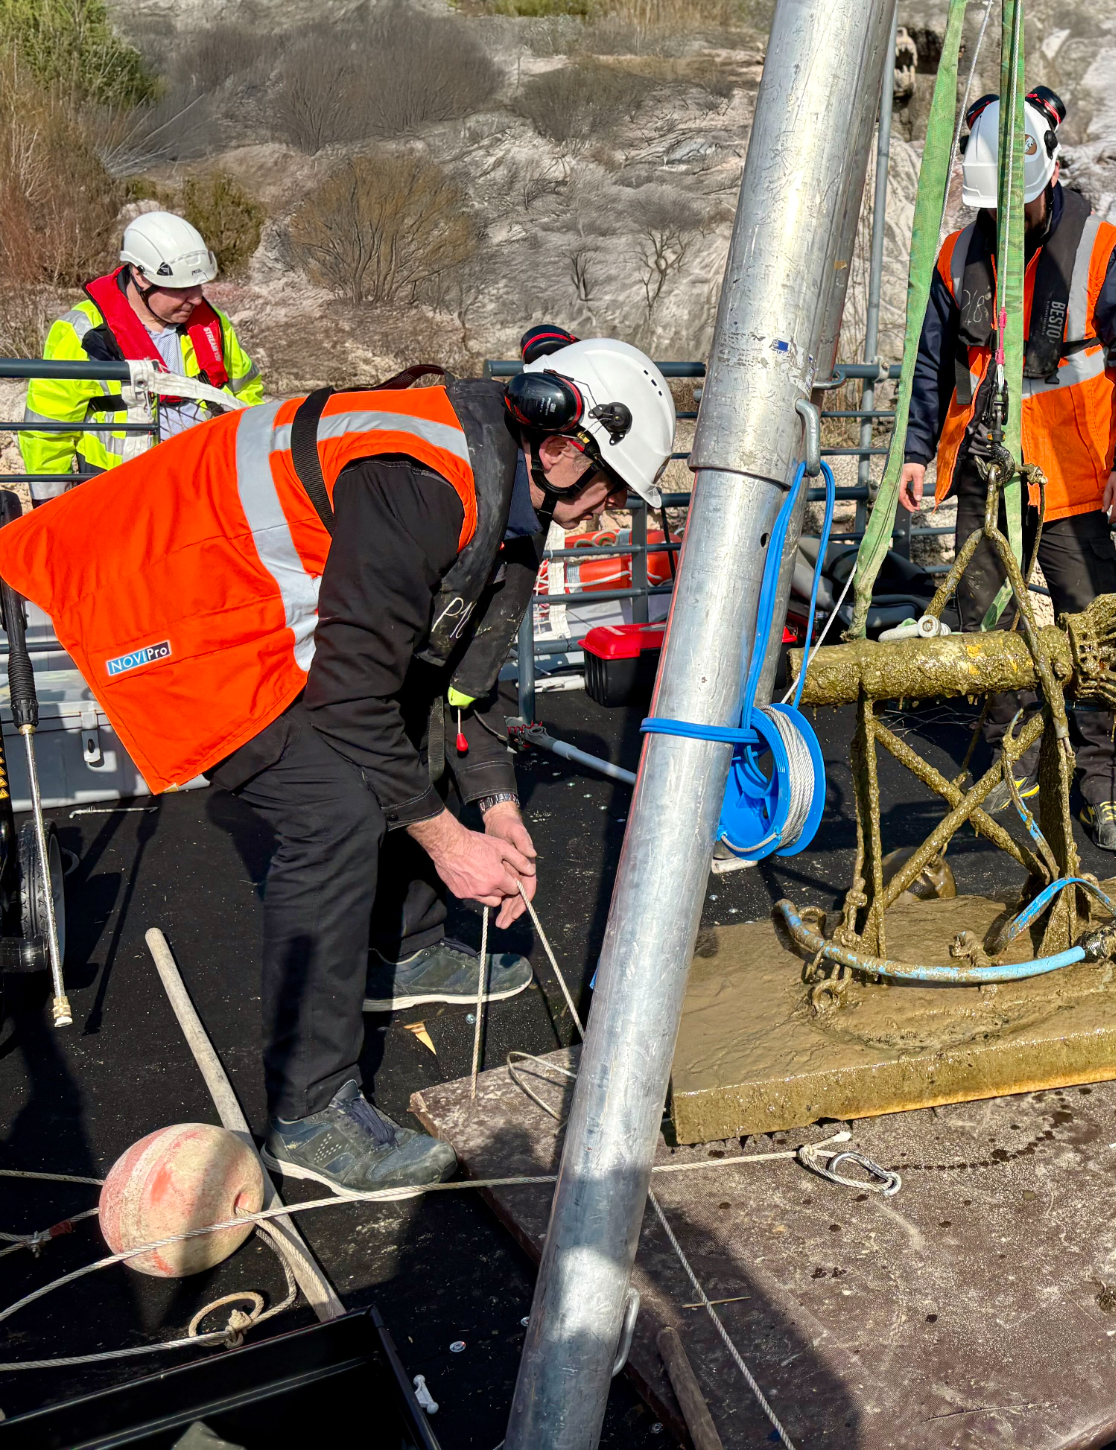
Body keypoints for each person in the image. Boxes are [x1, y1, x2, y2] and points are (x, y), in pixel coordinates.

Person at [0, 339, 677, 1191]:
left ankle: (402, 947)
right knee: (332, 812)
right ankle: (311, 1116)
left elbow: (455, 669)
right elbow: (354, 698)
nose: (612, 514)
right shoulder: (424, 483)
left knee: (399, 736)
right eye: (613, 488)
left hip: (229, 575)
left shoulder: (508, 484)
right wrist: (449, 845)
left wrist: (496, 805)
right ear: (564, 447)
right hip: (164, 588)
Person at [899, 86, 1116, 853]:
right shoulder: (958, 256)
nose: (1005, 219)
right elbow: (930, 367)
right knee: (989, 631)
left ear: (1050, 173)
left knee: (1097, 634)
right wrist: (916, 451)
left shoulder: (1103, 251)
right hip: (988, 480)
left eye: (1014, 204)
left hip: (1075, 485)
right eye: (994, 207)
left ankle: (1104, 789)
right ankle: (1012, 770)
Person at [22, 211, 263, 500]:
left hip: (205, 485)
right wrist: (50, 506)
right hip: (118, 494)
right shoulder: (82, 333)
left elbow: (246, 393)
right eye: (182, 288)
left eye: (199, 286)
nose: (197, 298)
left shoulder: (212, 324)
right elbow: (47, 431)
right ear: (140, 275)